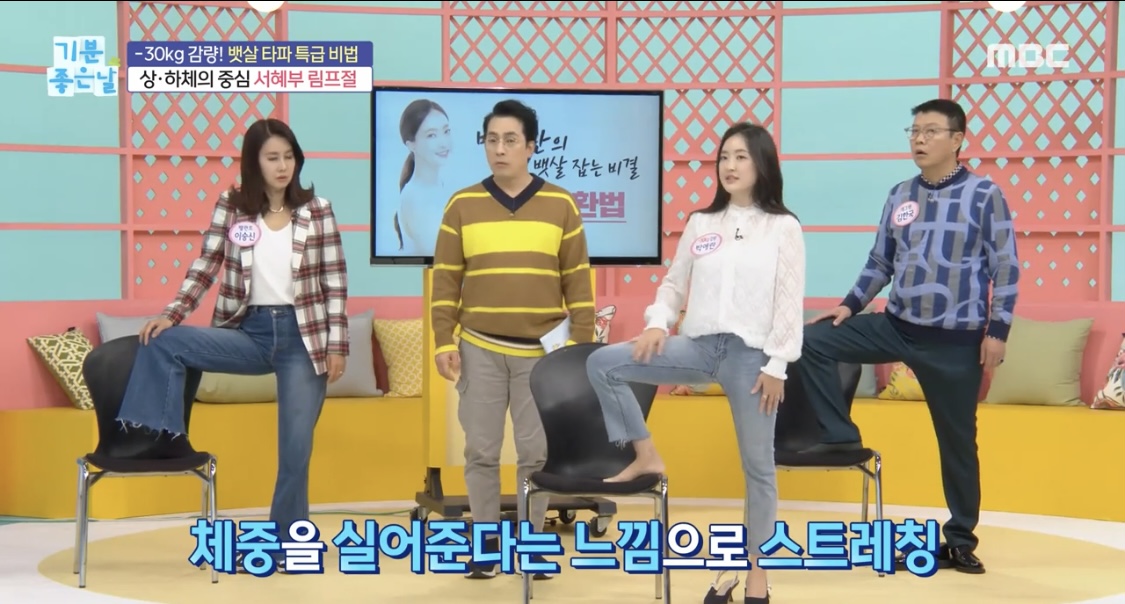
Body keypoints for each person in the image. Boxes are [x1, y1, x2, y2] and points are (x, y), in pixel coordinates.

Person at [115, 117, 350, 573]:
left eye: (289, 156)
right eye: (272, 157)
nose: (283, 166)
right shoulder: (233, 207)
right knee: (165, 342)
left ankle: (286, 548)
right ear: (253, 163)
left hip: (304, 340)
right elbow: (206, 265)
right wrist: (172, 313)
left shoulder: (317, 210)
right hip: (249, 331)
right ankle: (157, 436)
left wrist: (337, 345)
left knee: (295, 453)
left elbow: (335, 282)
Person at [797, 98, 1019, 575]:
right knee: (812, 340)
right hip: (896, 326)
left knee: (958, 444)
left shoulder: (985, 194)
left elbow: (1006, 266)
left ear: (957, 140)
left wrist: (997, 331)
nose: (919, 139)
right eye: (914, 131)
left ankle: (960, 539)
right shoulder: (900, 194)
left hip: (955, 342)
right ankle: (839, 433)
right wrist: (849, 304)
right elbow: (881, 261)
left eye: (930, 131)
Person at [586, 122, 805, 604]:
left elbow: (790, 302)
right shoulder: (702, 223)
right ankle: (645, 454)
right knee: (603, 363)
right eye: (724, 156)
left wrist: (778, 365)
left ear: (762, 163)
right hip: (699, 346)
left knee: (758, 468)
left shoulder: (783, 227)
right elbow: (674, 284)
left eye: (741, 156)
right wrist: (657, 323)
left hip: (752, 359)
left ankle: (755, 573)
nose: (730, 165)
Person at [429, 99, 596, 580]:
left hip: (541, 355)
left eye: (510, 140)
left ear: (531, 147)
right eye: (491, 140)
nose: (499, 149)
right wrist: (443, 341)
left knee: (536, 456)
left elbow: (578, 282)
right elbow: (446, 279)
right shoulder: (461, 205)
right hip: (477, 349)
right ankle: (485, 548)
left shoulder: (561, 205)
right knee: (480, 453)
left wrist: (580, 350)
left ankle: (532, 547)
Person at [394, 99, 453, 254]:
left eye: (446, 131)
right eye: (431, 135)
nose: (443, 143)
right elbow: (438, 254)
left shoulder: (441, 186)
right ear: (411, 145)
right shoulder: (415, 197)